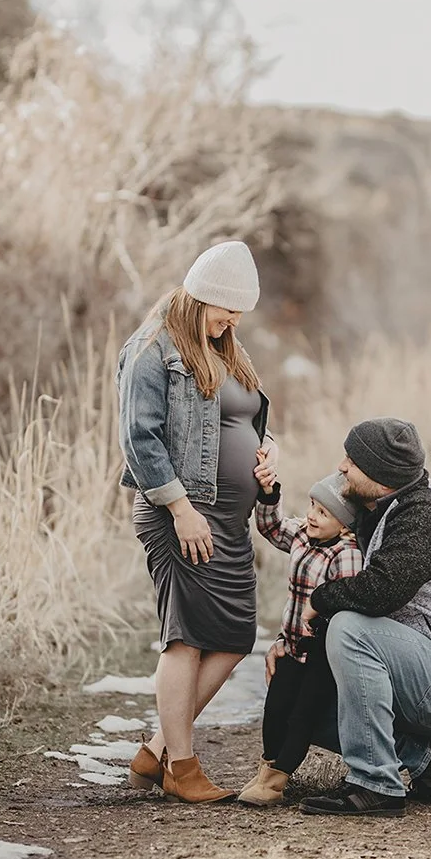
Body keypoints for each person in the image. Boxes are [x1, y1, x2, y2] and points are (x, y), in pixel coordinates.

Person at [286, 417, 431, 819]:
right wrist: (288, 647)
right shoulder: (378, 507)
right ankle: (425, 756)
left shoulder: (423, 515)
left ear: (380, 474)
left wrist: (319, 600)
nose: (341, 466)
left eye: (351, 461)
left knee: (349, 629)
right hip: (426, 671)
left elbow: (378, 593)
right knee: (300, 692)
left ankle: (376, 785)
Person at [116, 240, 277, 804]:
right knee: (184, 638)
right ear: (200, 295)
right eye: (227, 308)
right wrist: (180, 509)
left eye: (239, 312)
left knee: (234, 636)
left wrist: (267, 451)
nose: (234, 320)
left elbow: (247, 416)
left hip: (228, 521)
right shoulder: (153, 349)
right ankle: (181, 765)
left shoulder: (227, 346)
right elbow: (139, 440)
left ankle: (157, 748)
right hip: (179, 515)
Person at [237, 469, 363, 807]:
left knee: (302, 715)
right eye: (311, 505)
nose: (311, 515)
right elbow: (271, 526)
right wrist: (268, 494)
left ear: (346, 525)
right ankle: (267, 768)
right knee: (276, 705)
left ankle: (277, 781)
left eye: (323, 512)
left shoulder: (346, 554)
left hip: (321, 656)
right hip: (292, 648)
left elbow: (347, 603)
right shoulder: (303, 535)